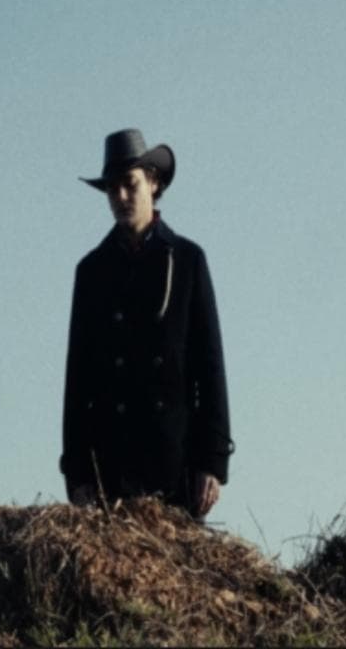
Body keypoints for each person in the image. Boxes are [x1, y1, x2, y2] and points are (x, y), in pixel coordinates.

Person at [61, 128, 233, 519]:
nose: (121, 197)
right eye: (112, 188)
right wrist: (77, 473)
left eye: (130, 185)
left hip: (175, 465)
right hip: (111, 467)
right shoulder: (91, 272)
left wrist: (212, 461)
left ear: (153, 183)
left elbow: (210, 369)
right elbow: (78, 379)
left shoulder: (188, 261)